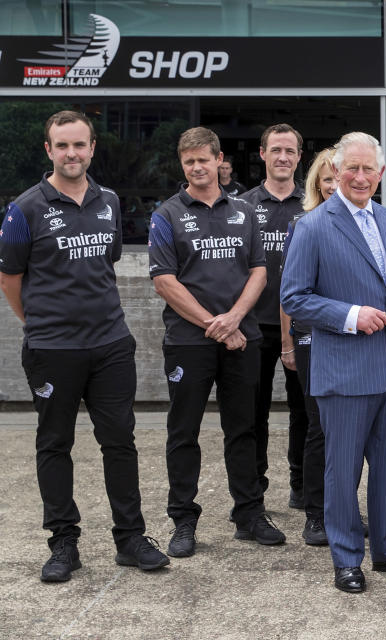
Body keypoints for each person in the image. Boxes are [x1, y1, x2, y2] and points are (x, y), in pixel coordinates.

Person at [0, 110, 169, 582]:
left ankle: (131, 539)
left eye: (80, 144)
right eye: (62, 145)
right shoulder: (25, 208)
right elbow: (9, 277)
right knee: (55, 444)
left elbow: (107, 261)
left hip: (111, 344)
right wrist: (38, 324)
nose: (71, 153)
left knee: (120, 442)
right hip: (53, 349)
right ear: (49, 150)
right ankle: (63, 543)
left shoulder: (109, 201)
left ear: (92, 148)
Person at [281, 131, 386, 594]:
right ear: (335, 170)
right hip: (345, 370)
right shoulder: (312, 225)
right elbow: (294, 297)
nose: (361, 176)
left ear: (381, 173)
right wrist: (350, 315)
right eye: (353, 168)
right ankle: (347, 558)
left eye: (370, 169)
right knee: (342, 470)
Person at [148, 127, 285, 558]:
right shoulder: (166, 214)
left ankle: (249, 514)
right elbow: (164, 282)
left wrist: (236, 319)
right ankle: (183, 521)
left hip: (243, 338)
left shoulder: (245, 212)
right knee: (183, 431)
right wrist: (215, 324)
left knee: (243, 428)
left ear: (218, 159)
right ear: (182, 164)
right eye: (188, 161)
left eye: (202, 159)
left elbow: (260, 271)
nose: (196, 167)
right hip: (189, 342)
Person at [240, 124, 309, 509]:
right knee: (254, 414)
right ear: (263, 154)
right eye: (276, 150)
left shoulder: (312, 205)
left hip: (302, 325)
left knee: (304, 412)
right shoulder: (243, 207)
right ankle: (256, 490)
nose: (283, 157)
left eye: (290, 151)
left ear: (300, 157)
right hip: (254, 325)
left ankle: (300, 486)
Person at [292, 148, 337, 546]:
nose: (336, 184)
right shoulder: (305, 225)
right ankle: (316, 515)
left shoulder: (370, 224)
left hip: (355, 339)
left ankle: (342, 512)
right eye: (328, 178)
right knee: (319, 425)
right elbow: (291, 294)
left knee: (352, 432)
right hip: (312, 337)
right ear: (317, 185)